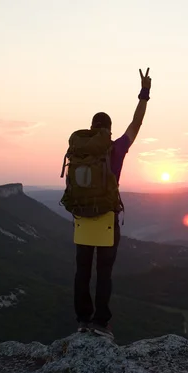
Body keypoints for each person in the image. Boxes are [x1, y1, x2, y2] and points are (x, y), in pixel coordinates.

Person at [74, 68, 152, 339]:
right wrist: (144, 93)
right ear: (108, 129)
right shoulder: (115, 148)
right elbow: (136, 124)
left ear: (91, 128)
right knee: (103, 272)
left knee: (82, 270)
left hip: (82, 216)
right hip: (106, 218)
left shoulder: (80, 150)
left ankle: (82, 320)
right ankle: (100, 322)